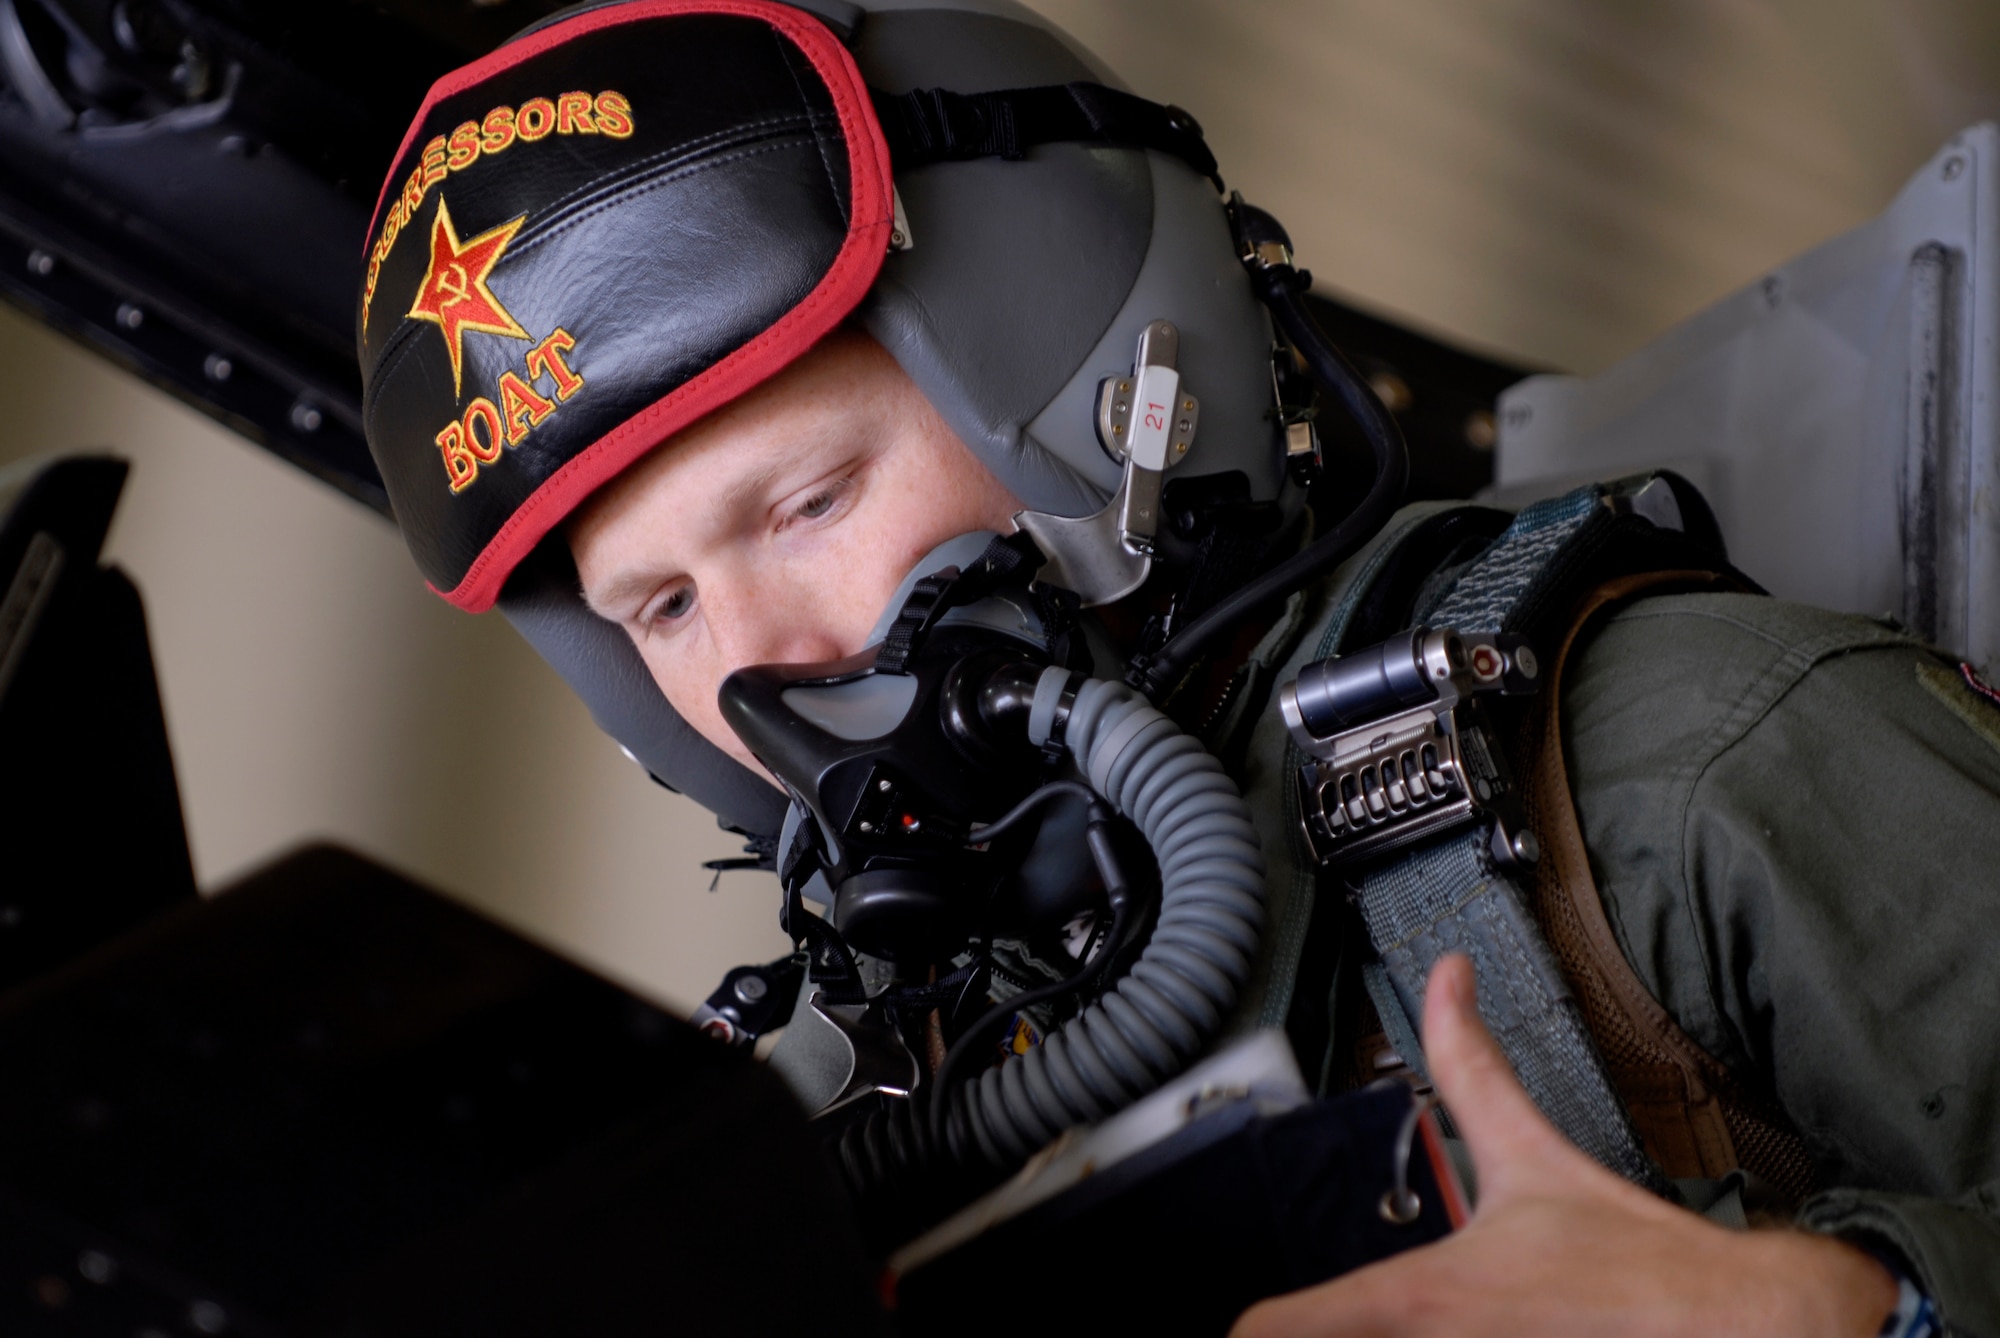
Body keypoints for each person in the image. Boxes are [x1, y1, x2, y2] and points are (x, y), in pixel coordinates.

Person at [354, 1, 2000, 1333]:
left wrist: (1835, 1305)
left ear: (1101, 394)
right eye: (660, 612)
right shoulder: (857, 1096)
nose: (755, 663)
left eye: (807, 502)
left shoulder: (1663, 757)